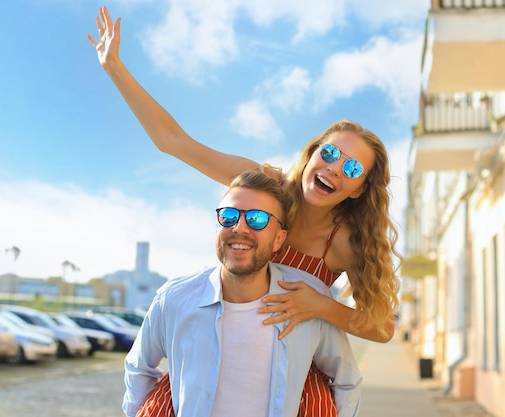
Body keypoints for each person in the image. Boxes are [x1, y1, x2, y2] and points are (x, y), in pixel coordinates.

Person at [89, 6, 401, 417]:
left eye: (352, 168)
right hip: (220, 345)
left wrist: (321, 306)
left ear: (360, 188)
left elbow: (381, 327)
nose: (334, 168)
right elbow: (174, 141)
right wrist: (114, 67)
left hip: (286, 368)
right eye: (329, 153)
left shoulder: (345, 243)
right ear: (311, 155)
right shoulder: (262, 188)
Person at [122, 170, 362, 417]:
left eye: (257, 219)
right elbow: (139, 368)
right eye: (228, 216)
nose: (240, 228)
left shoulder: (308, 298)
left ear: (279, 239)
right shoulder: (173, 299)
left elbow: (346, 380)